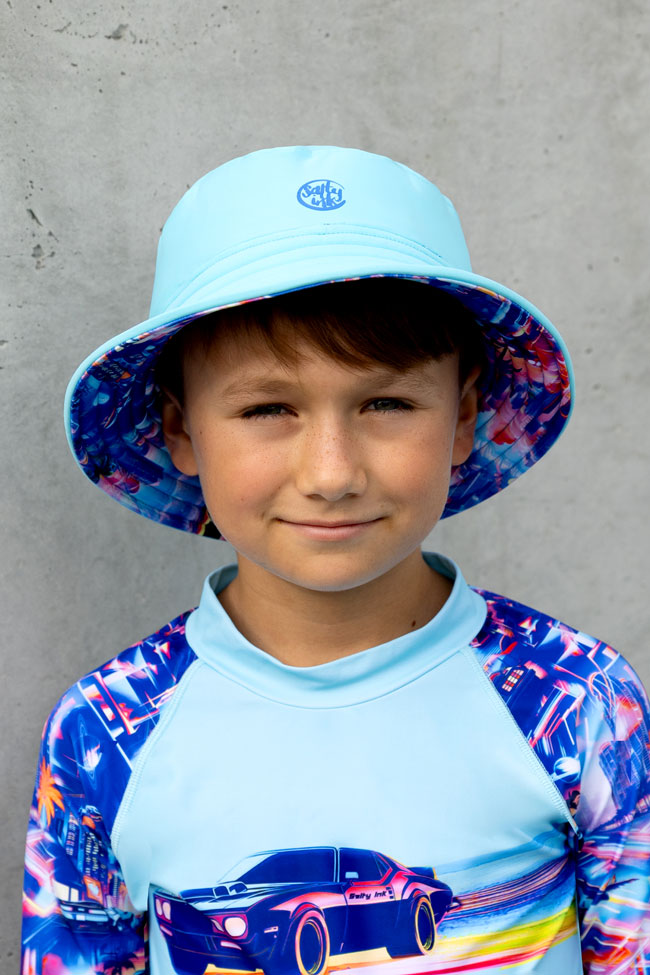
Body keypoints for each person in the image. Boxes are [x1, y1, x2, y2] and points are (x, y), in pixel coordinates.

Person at [21, 146, 650, 975]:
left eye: (386, 402)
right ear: (180, 430)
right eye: (267, 408)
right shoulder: (106, 730)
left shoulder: (575, 699)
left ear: (463, 419)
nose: (331, 473)